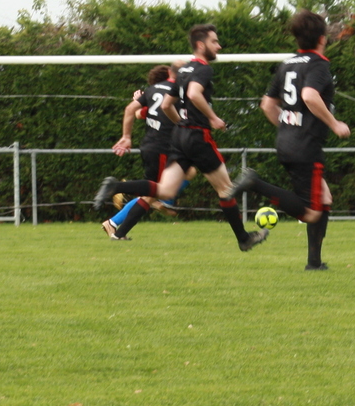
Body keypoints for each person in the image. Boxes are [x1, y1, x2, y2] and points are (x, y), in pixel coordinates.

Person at [93, 25, 268, 252]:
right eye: (214, 42)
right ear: (201, 45)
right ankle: (244, 239)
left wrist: (181, 124)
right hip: (197, 135)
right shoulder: (203, 69)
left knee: (165, 190)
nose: (219, 46)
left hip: (180, 137)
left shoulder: (184, 71)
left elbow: (167, 105)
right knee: (226, 190)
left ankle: (116, 186)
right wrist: (213, 118)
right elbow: (193, 94)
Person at [229, 9, 349, 269]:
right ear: (322, 39)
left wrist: (288, 127)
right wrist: (335, 123)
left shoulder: (288, 64)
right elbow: (309, 96)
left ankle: (314, 263)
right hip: (306, 147)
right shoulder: (318, 64)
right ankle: (255, 183)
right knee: (311, 212)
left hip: (287, 141)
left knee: (324, 198)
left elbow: (267, 105)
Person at [102, 65, 193, 240]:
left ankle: (118, 225)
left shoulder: (154, 93)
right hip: (162, 148)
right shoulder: (176, 94)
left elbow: (137, 113)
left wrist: (140, 100)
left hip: (154, 146)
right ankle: (117, 214)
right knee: (151, 194)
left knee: (189, 171)